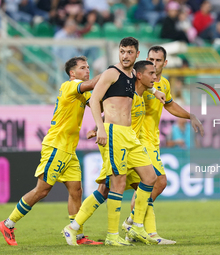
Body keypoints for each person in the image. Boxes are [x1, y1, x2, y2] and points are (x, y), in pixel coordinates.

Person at [62, 37, 159, 246]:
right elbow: (95, 99)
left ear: (137, 54)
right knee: (117, 183)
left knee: (150, 177)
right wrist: (100, 127)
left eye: (129, 52)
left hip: (129, 135)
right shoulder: (111, 73)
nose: (125, 56)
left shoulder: (132, 75)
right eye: (122, 51)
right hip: (114, 133)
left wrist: (155, 90)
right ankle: (112, 236)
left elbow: (140, 87)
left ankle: (136, 226)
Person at [0, 56, 102, 246]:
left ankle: (77, 236)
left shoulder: (84, 92)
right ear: (72, 73)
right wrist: (112, 73)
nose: (87, 70)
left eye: (88, 67)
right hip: (56, 146)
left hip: (69, 149)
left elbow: (99, 104)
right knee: (42, 190)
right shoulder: (70, 86)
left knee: (76, 191)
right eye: (82, 68)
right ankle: (8, 224)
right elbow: (92, 84)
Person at [121, 45, 204, 244]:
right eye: (151, 59)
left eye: (158, 60)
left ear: (165, 63)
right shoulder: (136, 80)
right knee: (159, 181)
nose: (154, 63)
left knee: (141, 187)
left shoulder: (163, 84)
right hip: (138, 140)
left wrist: (190, 115)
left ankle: (134, 228)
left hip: (152, 140)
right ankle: (135, 224)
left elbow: (170, 105)